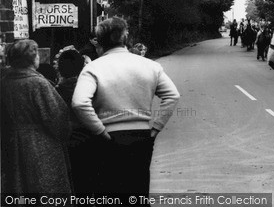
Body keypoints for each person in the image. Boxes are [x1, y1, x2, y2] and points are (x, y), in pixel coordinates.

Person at [72, 17, 180, 199]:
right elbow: (172, 95)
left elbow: (80, 103)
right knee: (137, 189)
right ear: (125, 37)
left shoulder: (93, 68)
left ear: (100, 40)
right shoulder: (151, 66)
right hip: (142, 135)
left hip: (107, 136)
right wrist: (156, 127)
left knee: (108, 190)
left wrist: (99, 130)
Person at [1, 39, 72, 194]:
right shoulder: (38, 83)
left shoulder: (4, 83)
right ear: (32, 59)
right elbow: (57, 116)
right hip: (41, 144)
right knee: (46, 188)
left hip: (12, 145)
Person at [55, 47, 95, 194]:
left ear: (59, 69)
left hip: (64, 147)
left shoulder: (55, 92)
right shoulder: (90, 90)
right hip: (90, 143)